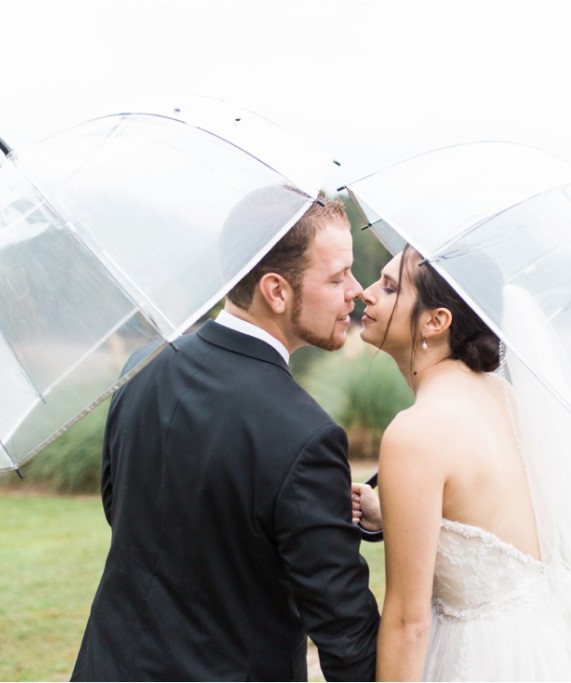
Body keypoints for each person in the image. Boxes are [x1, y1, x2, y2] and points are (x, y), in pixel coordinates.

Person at [71, 192, 380, 682]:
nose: (357, 291)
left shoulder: (141, 366)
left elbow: (124, 510)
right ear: (276, 291)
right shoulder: (307, 436)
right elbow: (346, 636)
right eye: (338, 276)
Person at [353, 245, 571, 681]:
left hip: (483, 658)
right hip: (551, 644)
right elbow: (488, 525)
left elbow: (408, 624)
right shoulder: (510, 400)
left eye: (390, 287)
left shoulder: (414, 434)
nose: (365, 293)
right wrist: (387, 510)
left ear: (436, 321)